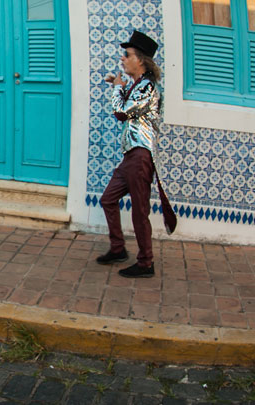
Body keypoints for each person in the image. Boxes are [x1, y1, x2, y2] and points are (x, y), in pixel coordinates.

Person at [96, 30, 164, 278]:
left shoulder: (148, 87)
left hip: (141, 156)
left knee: (139, 211)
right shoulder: (137, 86)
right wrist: (122, 87)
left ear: (142, 60)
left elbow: (122, 112)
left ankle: (146, 263)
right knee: (108, 199)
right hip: (131, 157)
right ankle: (118, 249)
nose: (123, 59)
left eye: (128, 55)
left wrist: (117, 88)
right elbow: (127, 109)